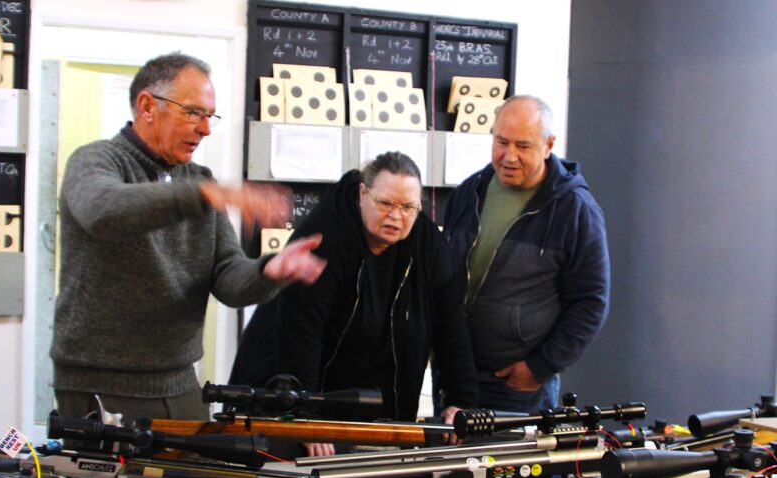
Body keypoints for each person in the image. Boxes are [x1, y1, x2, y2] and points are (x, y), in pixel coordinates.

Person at [51, 53, 325, 423]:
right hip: (97, 386)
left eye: (210, 116)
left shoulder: (199, 180)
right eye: (193, 112)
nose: (205, 129)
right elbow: (104, 211)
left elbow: (228, 277)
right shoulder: (94, 161)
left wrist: (271, 271)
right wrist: (204, 196)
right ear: (147, 106)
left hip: (179, 380)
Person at [230, 151, 479, 456]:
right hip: (285, 383)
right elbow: (299, 333)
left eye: (408, 207)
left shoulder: (429, 245)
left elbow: (451, 324)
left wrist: (461, 400)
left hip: (369, 397)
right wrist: (305, 417)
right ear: (363, 193)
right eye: (385, 203)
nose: (396, 216)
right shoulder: (325, 236)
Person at [443, 95, 609, 413]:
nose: (509, 156)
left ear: (548, 145)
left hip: (516, 389)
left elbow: (591, 302)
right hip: (455, 377)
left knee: (509, 465)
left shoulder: (576, 211)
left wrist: (538, 368)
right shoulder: (469, 192)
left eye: (523, 146)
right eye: (501, 142)